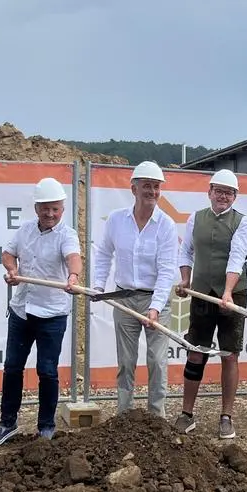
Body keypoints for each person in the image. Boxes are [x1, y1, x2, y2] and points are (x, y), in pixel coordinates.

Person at [0, 177, 81, 447]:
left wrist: (73, 277)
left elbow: (73, 258)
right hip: (22, 311)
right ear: (36, 208)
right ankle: (7, 423)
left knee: (47, 370)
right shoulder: (25, 230)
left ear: (62, 209)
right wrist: (12, 269)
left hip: (52, 314)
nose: (50, 214)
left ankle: (46, 428)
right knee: (12, 367)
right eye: (45, 208)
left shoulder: (67, 235)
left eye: (55, 209)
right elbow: (8, 253)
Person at [91, 160, 178, 418]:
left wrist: (155, 308)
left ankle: (156, 417)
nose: (152, 191)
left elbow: (166, 271)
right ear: (134, 189)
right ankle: (124, 415)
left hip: (156, 299)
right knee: (126, 361)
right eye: (147, 186)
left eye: (156, 186)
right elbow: (104, 254)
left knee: (157, 361)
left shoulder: (166, 225)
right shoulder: (117, 220)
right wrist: (98, 287)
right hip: (125, 299)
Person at [172, 169, 247, 439]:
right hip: (202, 294)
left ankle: (226, 417)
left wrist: (227, 293)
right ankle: (187, 414)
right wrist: (186, 279)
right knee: (196, 351)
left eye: (228, 193)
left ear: (235, 196)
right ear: (209, 192)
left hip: (233, 295)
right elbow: (186, 251)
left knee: (229, 354)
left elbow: (237, 257)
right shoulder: (196, 218)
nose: (223, 196)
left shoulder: (242, 222)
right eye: (218, 191)